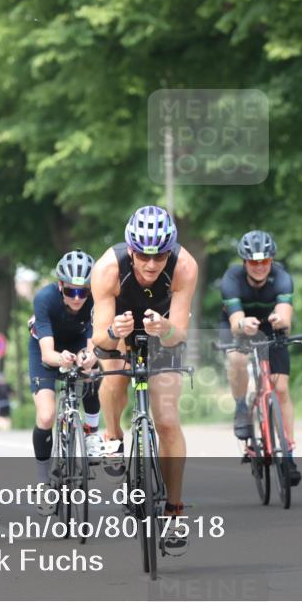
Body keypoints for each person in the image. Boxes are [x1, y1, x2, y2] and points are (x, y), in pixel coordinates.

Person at [90, 205, 198, 556]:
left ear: (170, 252)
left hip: (162, 330)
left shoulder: (184, 266)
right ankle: (113, 435)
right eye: (143, 255)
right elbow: (99, 340)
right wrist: (112, 331)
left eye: (160, 256)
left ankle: (175, 510)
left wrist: (165, 328)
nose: (151, 265)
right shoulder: (107, 269)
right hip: (119, 326)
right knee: (114, 377)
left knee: (166, 420)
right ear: (130, 250)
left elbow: (178, 333)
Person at [219, 230, 302, 486]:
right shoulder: (231, 279)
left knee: (281, 388)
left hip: (270, 327)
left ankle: (287, 453)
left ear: (271, 261)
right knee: (236, 360)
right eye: (253, 262)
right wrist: (243, 323)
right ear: (244, 262)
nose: (259, 267)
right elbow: (234, 323)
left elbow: (286, 315)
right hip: (240, 325)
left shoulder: (282, 278)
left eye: (264, 262)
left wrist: (280, 319)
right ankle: (242, 407)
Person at [28, 249, 101, 505]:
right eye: (72, 291)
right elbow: (48, 354)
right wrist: (63, 358)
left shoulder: (95, 300)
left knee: (93, 372)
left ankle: (92, 431)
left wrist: (87, 357)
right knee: (46, 415)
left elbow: (93, 345)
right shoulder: (45, 299)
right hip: (47, 349)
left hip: (78, 341)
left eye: (84, 291)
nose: (78, 298)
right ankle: (42, 481)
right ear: (60, 286)